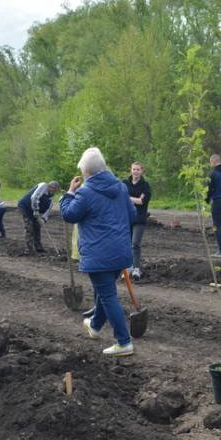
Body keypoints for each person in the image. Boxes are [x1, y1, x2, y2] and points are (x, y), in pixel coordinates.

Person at [61, 147, 137, 357]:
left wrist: (69, 193)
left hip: (99, 253)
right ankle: (94, 326)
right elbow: (132, 214)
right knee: (106, 292)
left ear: (86, 171)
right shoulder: (121, 187)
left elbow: (69, 215)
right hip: (120, 251)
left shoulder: (85, 192)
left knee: (108, 295)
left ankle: (124, 342)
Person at [124, 162, 152, 280]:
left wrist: (127, 197)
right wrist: (136, 199)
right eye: (134, 169)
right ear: (130, 170)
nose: (135, 171)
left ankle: (137, 269)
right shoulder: (124, 183)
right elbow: (120, 197)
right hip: (126, 218)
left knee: (135, 243)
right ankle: (128, 267)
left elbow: (142, 201)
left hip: (140, 218)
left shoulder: (145, 185)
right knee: (126, 244)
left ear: (142, 171)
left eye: (138, 169)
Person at [18, 180, 60, 253]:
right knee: (29, 227)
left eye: (56, 190)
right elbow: (34, 197)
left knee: (37, 226)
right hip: (26, 207)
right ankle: (29, 249)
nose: (54, 192)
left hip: (34, 210)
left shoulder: (50, 198)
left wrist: (43, 220)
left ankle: (38, 247)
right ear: (50, 187)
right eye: (54, 189)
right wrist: (36, 210)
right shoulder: (43, 186)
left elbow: (48, 211)